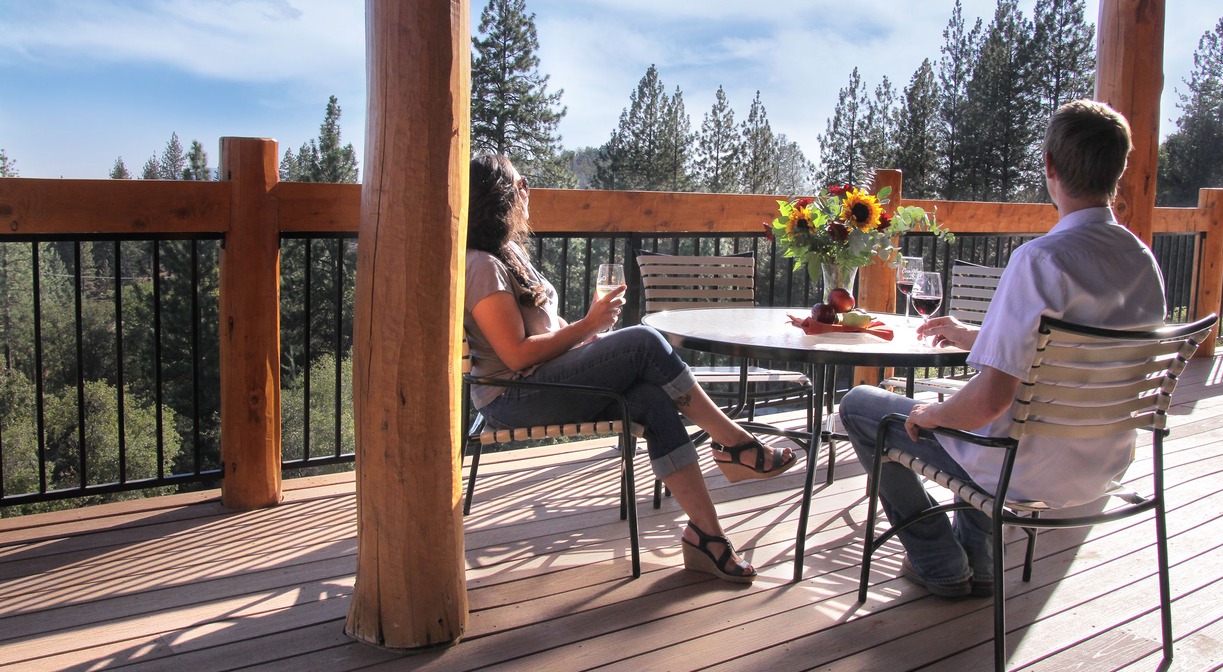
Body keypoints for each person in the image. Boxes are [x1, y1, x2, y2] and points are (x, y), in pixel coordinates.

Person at [839, 99, 1167, 598]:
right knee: (974, 403)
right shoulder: (1142, 261)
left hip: (1022, 468)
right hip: (1103, 466)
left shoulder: (1042, 259)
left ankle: (938, 559)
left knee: (862, 407)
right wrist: (976, 338)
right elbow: (1073, 353)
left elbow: (989, 402)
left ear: (1050, 166)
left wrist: (935, 414)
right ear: (1118, 170)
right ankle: (982, 561)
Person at [464, 153, 798, 583]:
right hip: (513, 397)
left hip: (544, 381)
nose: (528, 188)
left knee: (652, 399)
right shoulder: (482, 265)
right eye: (520, 182)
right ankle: (734, 443)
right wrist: (589, 325)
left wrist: (589, 339)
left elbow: (543, 328)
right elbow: (516, 356)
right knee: (643, 340)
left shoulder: (508, 254)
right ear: (501, 197)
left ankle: (707, 538)